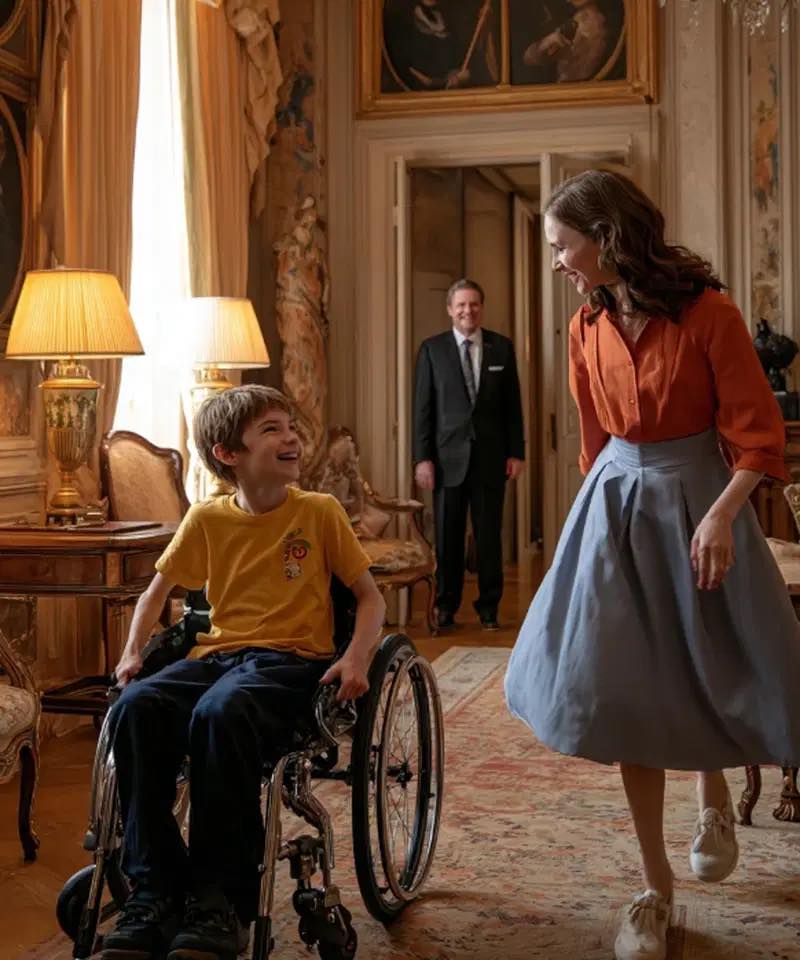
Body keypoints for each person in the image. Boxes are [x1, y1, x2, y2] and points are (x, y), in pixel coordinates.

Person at [504, 169, 800, 960]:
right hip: (615, 505)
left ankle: (713, 796)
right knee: (627, 688)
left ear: (604, 238)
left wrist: (723, 514)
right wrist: (595, 527)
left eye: (562, 245)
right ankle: (654, 888)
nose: (557, 262)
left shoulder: (711, 315)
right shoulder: (585, 326)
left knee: (709, 666)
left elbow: (757, 433)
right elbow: (594, 440)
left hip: (702, 498)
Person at [101, 385, 385, 960]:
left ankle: (221, 899)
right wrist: (132, 654)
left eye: (290, 427)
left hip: (291, 662)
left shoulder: (318, 512)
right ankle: (154, 890)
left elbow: (370, 598)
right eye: (272, 430)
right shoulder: (208, 518)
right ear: (228, 453)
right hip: (219, 657)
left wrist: (356, 658)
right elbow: (155, 593)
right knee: (135, 706)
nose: (291, 437)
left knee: (221, 711)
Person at [413, 279, 524, 631]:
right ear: (450, 309)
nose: (468, 311)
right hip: (446, 461)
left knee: (489, 537)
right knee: (448, 537)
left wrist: (516, 452)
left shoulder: (501, 348)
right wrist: (422, 458)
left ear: (481, 308)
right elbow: (423, 410)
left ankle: (489, 608)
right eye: (461, 305)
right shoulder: (432, 350)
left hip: (491, 459)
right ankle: (446, 606)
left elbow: (512, 407)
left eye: (474, 304)